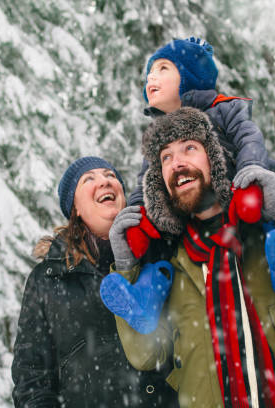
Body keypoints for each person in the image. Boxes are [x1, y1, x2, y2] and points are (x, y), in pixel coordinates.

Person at [108, 108, 275, 407]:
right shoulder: (172, 267)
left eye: (189, 148)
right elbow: (145, 356)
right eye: (166, 158)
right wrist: (126, 269)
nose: (178, 164)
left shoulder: (274, 240)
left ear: (215, 157)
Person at [11, 156, 179, 408]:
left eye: (111, 176)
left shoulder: (159, 255)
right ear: (75, 208)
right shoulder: (49, 278)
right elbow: (32, 378)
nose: (104, 181)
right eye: (89, 179)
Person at [129, 36, 275, 207]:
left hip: (245, 191)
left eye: (162, 69)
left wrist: (250, 171)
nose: (150, 77)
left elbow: (248, 139)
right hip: (199, 209)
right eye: (149, 73)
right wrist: (137, 209)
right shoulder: (158, 135)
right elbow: (146, 178)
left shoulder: (223, 110)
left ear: (188, 77)